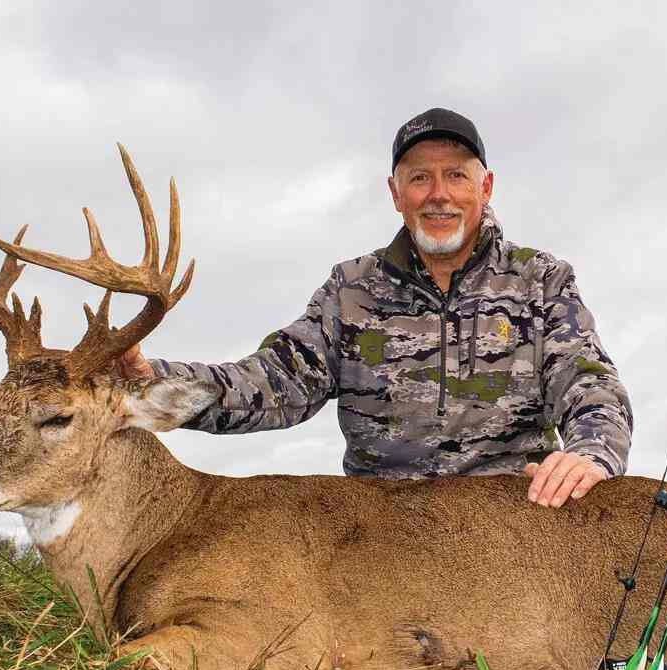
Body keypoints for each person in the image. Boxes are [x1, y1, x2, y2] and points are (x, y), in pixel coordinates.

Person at [119, 108, 633, 507]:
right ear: (396, 193)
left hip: (510, 522)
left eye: (456, 176)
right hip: (380, 537)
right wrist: (154, 379)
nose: (439, 196)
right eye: (419, 178)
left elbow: (589, 383)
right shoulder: (351, 290)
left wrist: (591, 452)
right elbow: (275, 382)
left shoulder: (540, 280)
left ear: (485, 186)